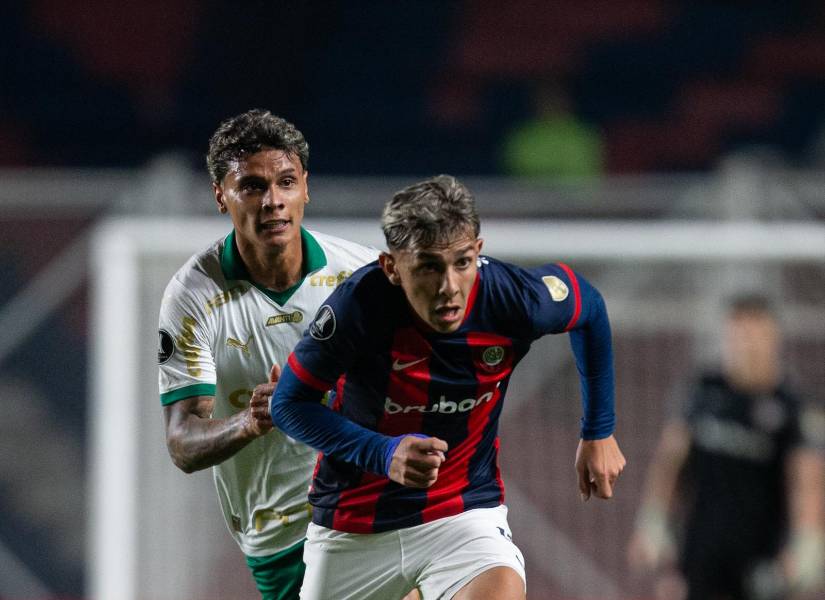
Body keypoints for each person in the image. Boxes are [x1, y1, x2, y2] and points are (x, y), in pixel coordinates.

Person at [268, 174, 626, 600]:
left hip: (462, 515)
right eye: (428, 267)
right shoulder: (359, 306)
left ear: (478, 250)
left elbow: (590, 307)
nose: (449, 287)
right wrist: (384, 453)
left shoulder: (514, 300)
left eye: (462, 262)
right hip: (353, 525)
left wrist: (598, 431)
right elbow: (288, 404)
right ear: (392, 267)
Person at [157, 109, 378, 600]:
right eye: (252, 187)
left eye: (286, 182)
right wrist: (252, 421)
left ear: (306, 188)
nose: (273, 201)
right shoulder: (193, 296)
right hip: (281, 534)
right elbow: (182, 442)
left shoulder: (360, 277)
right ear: (221, 196)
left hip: (372, 500)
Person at [627, 294, 825, 600]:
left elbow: (806, 481)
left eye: (755, 335)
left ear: (773, 339)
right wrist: (653, 522)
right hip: (700, 554)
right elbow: (670, 463)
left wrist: (807, 543)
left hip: (761, 561)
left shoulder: (792, 407)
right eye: (738, 335)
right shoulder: (701, 392)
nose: (746, 346)